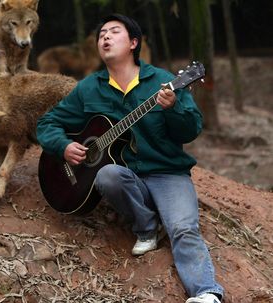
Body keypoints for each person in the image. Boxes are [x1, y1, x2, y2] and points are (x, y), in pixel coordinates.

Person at [36, 14, 224, 303]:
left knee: (183, 228)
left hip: (167, 172)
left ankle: (206, 292)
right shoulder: (90, 87)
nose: (105, 38)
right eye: (101, 35)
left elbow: (192, 130)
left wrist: (173, 108)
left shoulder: (164, 81)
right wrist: (62, 146)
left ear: (134, 43)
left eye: (114, 32)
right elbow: (47, 123)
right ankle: (147, 228)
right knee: (107, 174)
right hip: (125, 175)